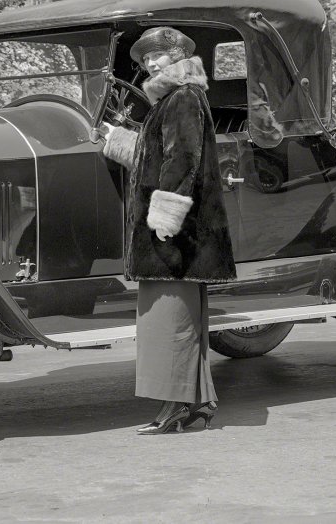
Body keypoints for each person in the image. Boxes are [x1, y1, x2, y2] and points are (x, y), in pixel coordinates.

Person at [101, 26, 236, 435]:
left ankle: (176, 408)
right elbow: (154, 153)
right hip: (180, 237)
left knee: (168, 322)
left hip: (175, 237)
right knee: (178, 321)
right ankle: (196, 403)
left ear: (176, 55)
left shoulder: (182, 98)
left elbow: (181, 161)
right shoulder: (178, 99)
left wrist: (165, 218)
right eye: (145, 60)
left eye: (158, 55)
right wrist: (115, 139)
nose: (150, 63)